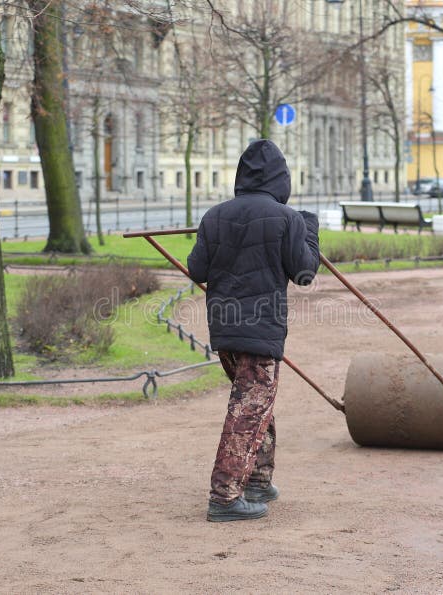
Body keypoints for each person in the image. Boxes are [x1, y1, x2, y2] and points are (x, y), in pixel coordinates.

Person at [187, 139, 320, 522]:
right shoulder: (287, 218)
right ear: (282, 179)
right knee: (249, 408)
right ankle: (225, 496)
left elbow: (197, 271)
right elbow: (304, 272)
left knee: (255, 402)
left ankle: (258, 480)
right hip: (260, 330)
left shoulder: (215, 216)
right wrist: (308, 229)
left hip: (224, 330)